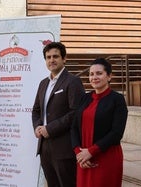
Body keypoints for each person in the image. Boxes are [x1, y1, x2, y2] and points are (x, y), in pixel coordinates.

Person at [32, 42, 85, 187]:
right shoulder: (43, 83)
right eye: (48, 57)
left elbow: (76, 113)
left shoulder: (73, 82)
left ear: (64, 59)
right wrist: (37, 126)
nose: (51, 60)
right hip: (44, 148)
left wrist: (50, 128)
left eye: (55, 56)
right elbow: (36, 110)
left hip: (64, 148)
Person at [71, 58, 128, 187]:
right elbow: (74, 127)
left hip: (106, 157)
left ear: (109, 76)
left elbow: (117, 133)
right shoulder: (84, 98)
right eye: (91, 74)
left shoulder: (117, 100)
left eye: (99, 73)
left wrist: (91, 151)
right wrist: (78, 153)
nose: (94, 77)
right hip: (83, 158)